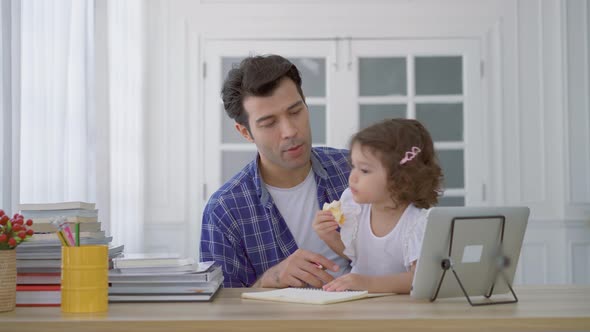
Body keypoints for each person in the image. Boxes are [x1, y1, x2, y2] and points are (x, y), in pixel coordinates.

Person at [200, 55, 351, 288]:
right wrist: (269, 280)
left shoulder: (353, 170)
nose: (290, 131)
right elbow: (221, 313)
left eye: (295, 112)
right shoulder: (224, 211)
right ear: (245, 132)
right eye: (269, 123)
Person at [313, 119, 443, 293]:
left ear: (400, 179)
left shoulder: (416, 224)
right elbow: (357, 255)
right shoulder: (356, 209)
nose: (353, 177)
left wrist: (369, 284)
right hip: (361, 307)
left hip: (397, 313)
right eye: (353, 166)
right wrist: (328, 236)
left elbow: (420, 278)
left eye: (364, 170)